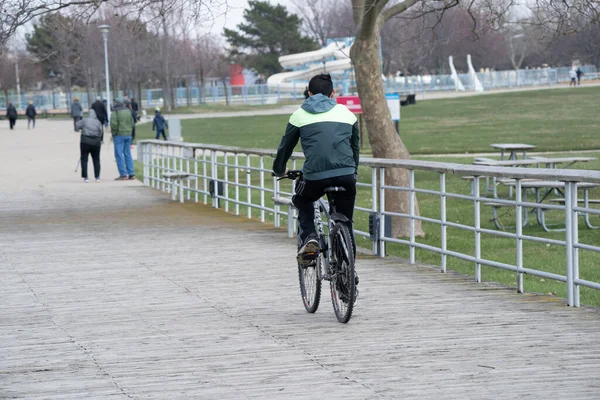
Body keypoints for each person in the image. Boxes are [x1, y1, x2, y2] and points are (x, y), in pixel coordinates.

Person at [272, 73, 360, 265]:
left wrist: (280, 170)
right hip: (346, 175)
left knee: (301, 198)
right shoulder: (347, 114)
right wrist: (353, 172)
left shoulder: (299, 115)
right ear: (333, 93)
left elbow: (285, 148)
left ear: (309, 93)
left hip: (315, 178)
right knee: (345, 222)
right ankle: (349, 272)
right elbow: (355, 148)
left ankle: (310, 237)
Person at [110, 98, 135, 180]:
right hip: (128, 134)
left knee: (119, 154)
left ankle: (123, 174)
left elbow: (113, 124)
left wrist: (114, 133)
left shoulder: (115, 111)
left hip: (119, 134)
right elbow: (132, 123)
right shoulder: (128, 111)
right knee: (127, 154)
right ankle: (131, 173)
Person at [76, 109, 103, 182]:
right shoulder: (98, 122)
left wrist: (80, 117)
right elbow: (101, 132)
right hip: (96, 143)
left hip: (85, 142)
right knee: (96, 160)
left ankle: (86, 177)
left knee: (84, 159)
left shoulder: (84, 120)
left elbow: (77, 126)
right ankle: (97, 176)